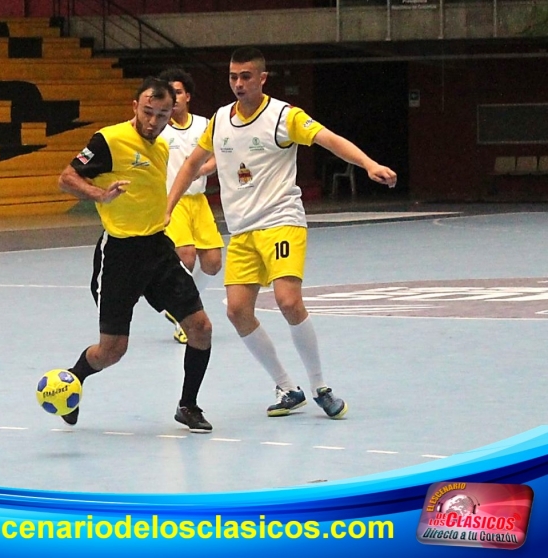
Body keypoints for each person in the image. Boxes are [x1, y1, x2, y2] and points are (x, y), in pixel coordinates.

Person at [167, 47, 397, 419]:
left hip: (281, 221)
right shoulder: (219, 120)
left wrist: (369, 164)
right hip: (242, 230)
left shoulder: (284, 116)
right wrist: (167, 206)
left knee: (288, 301)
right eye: (232, 77)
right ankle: (288, 387)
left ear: (262, 78)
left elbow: (329, 139)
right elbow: (192, 165)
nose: (238, 83)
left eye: (245, 77)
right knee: (237, 311)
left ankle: (321, 386)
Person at [57, 76, 214, 433]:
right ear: (134, 107)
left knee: (201, 328)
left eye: (162, 114)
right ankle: (75, 379)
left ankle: (188, 405)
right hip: (120, 255)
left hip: (158, 248)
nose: (153, 121)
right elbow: (66, 178)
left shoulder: (163, 144)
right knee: (112, 351)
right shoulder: (109, 140)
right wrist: (99, 195)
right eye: (148, 112)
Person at [157, 68, 224, 345]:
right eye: (169, 94)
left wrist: (202, 169)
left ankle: (179, 306)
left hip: (199, 200)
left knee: (212, 263)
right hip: (172, 200)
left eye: (179, 93)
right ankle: (186, 314)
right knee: (185, 256)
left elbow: (219, 156)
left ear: (188, 96)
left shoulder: (204, 125)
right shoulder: (158, 128)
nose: (174, 99)